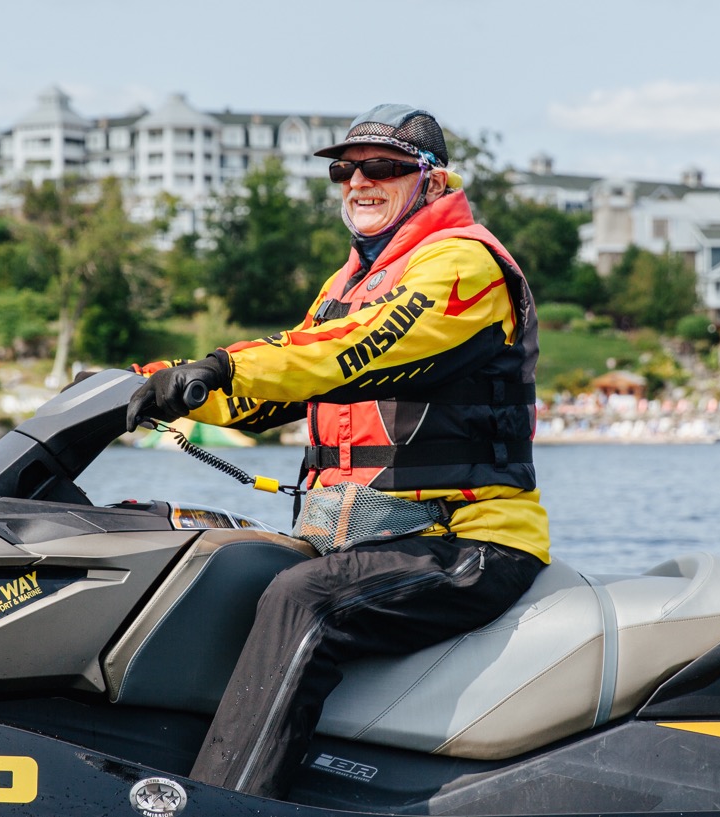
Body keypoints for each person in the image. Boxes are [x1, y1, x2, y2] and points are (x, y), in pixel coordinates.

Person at [125, 104, 549, 800]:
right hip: (368, 539)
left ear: (433, 181)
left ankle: (222, 805)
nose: (358, 181)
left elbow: (350, 350)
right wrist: (155, 387)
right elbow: (275, 390)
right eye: (344, 169)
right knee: (205, 561)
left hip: (470, 541)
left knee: (305, 600)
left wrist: (222, 366)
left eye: (381, 167)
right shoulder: (346, 282)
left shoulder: (464, 264)